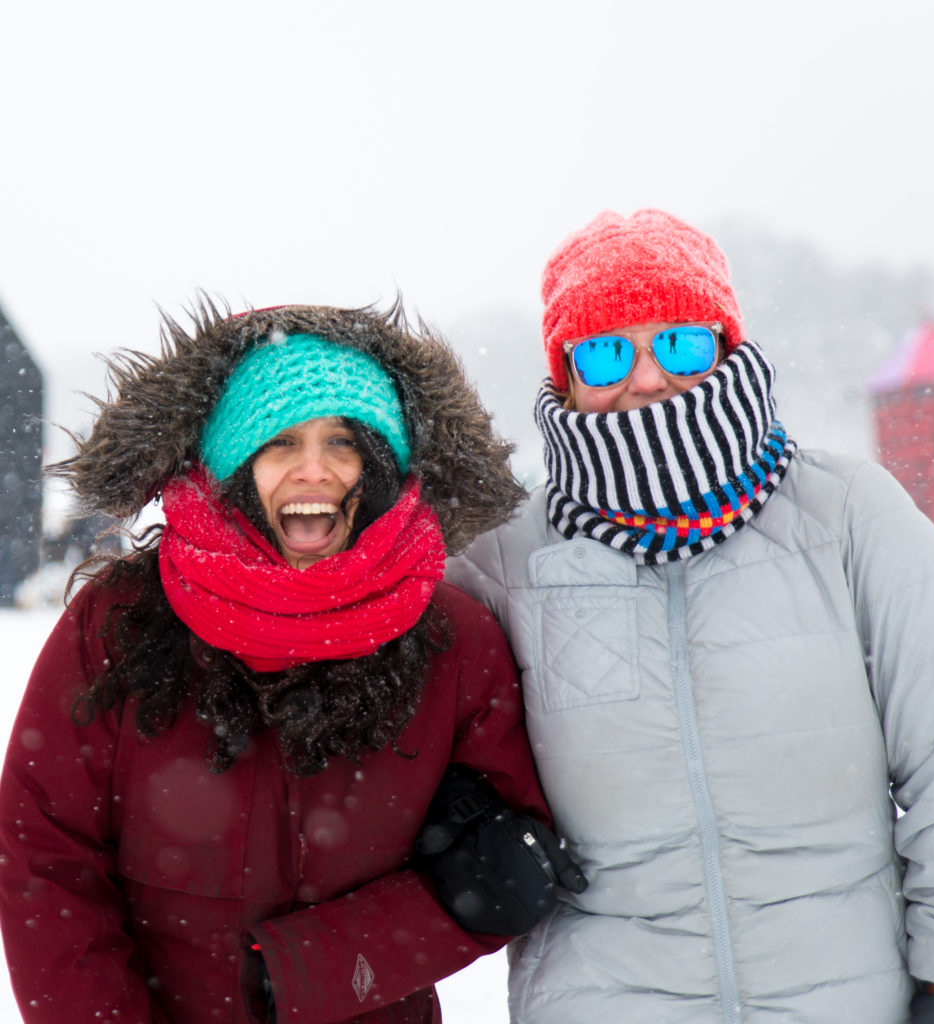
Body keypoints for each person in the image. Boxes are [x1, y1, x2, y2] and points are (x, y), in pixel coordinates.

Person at [446, 210, 934, 1023]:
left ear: (724, 347)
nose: (647, 378)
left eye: (678, 343)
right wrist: (462, 826)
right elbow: (428, 756)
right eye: (608, 350)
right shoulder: (498, 565)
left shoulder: (847, 515)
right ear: (565, 375)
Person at [0, 300, 568, 1024]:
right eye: (279, 441)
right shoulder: (120, 623)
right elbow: (45, 858)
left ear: (382, 465)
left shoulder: (453, 640)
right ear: (237, 463)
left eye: (344, 442)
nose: (314, 470)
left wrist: (320, 968)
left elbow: (510, 870)